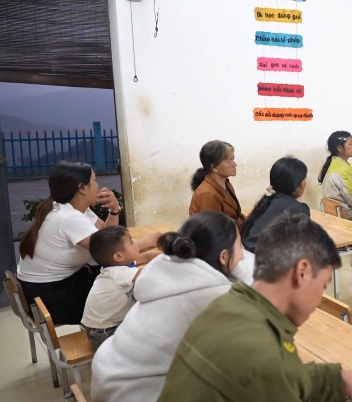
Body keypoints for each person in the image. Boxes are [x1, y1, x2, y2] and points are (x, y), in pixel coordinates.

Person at [158, 212, 352, 401]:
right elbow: (272, 374)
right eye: (323, 284)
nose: (320, 297)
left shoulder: (226, 306)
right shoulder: (265, 357)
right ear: (302, 272)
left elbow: (280, 378)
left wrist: (336, 378)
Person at [91, 212, 245, 402]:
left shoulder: (164, 270)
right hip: (130, 394)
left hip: (107, 378)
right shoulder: (214, 297)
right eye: (239, 245)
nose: (244, 253)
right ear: (223, 256)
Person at [16, 161, 158, 325]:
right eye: (94, 181)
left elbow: (106, 236)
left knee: (117, 275)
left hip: (47, 287)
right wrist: (149, 241)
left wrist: (114, 210)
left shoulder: (68, 208)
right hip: (52, 297)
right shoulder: (70, 218)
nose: (98, 186)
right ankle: (122, 337)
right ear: (82, 188)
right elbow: (112, 251)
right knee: (126, 290)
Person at [81, 226, 161, 349]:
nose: (136, 243)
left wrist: (166, 255)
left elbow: (146, 257)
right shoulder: (118, 274)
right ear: (118, 257)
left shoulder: (115, 267)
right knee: (157, 327)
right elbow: (152, 273)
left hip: (99, 329)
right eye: (131, 241)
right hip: (105, 334)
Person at [242, 156, 311, 251]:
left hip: (248, 255)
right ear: (296, 184)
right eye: (304, 179)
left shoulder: (271, 199)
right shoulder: (294, 208)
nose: (305, 182)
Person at [189, 140, 246, 231]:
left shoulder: (225, 183)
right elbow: (214, 231)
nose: (234, 164)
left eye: (233, 159)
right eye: (229, 160)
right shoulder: (207, 194)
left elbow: (235, 216)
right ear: (214, 167)